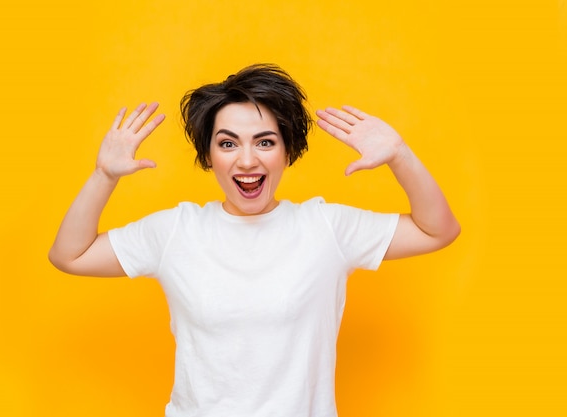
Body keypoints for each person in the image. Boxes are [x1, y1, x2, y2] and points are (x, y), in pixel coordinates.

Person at [49, 63, 460, 417]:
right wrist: (104, 176)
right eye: (228, 143)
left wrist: (399, 155)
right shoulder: (176, 231)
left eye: (265, 142)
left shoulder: (325, 228)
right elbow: (70, 255)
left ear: (287, 152)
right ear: (208, 156)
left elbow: (438, 229)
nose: (247, 160)